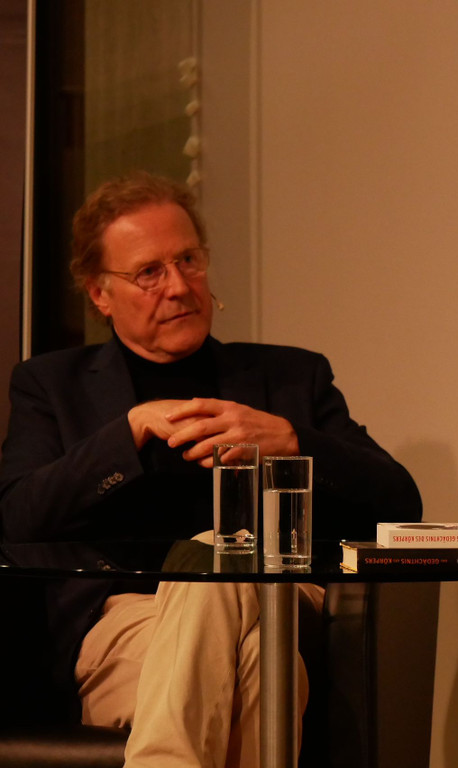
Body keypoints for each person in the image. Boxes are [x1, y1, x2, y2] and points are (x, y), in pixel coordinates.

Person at [0, 171, 422, 767]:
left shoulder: (290, 378)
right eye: (150, 272)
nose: (179, 286)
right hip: (128, 629)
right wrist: (127, 435)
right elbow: (17, 516)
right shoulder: (51, 385)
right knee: (259, 671)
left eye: (188, 260)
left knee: (216, 564)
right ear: (100, 294)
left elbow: (401, 502)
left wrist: (290, 439)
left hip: (281, 606)